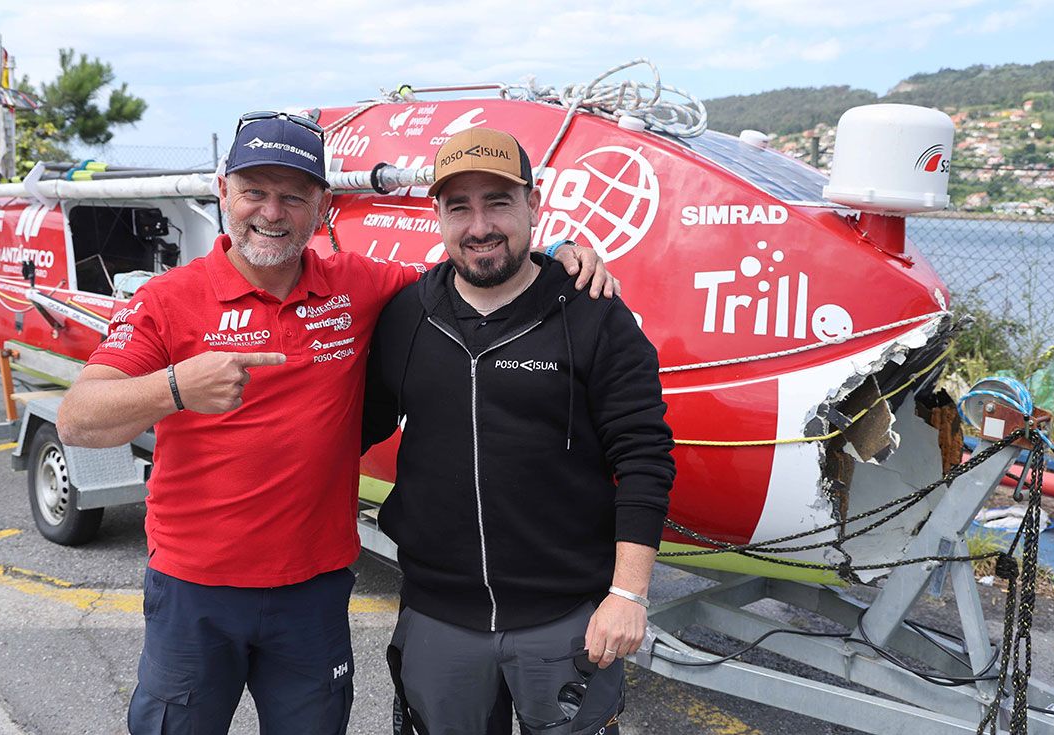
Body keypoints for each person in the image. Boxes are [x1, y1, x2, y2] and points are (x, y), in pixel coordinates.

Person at [54, 112, 615, 735]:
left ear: (322, 206)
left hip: (313, 592)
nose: (271, 213)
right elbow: (79, 421)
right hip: (195, 590)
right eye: (254, 193)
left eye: (293, 196)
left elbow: (474, 270)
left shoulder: (357, 284)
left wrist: (560, 255)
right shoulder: (168, 298)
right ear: (223, 193)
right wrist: (177, 387)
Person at [362, 127, 676, 735]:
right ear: (439, 217)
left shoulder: (593, 313)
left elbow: (644, 455)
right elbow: (357, 425)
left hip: (565, 621)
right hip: (437, 616)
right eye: (460, 207)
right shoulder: (407, 316)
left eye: (498, 202)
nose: (480, 225)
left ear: (534, 205)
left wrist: (628, 595)